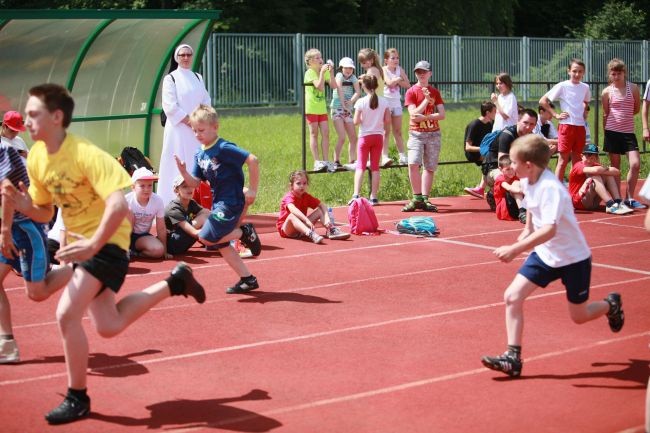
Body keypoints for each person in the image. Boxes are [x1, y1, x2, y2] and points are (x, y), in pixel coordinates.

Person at [8, 83, 206, 424]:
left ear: (56, 117)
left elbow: (118, 206)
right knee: (108, 325)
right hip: (84, 244)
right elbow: (44, 212)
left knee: (66, 314)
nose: (26, 120)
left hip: (109, 243)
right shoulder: (38, 157)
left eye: (33, 114)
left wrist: (92, 245)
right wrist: (22, 204)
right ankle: (174, 283)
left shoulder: (87, 155)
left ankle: (77, 397)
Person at [481, 134, 624, 378]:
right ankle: (513, 358)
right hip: (546, 255)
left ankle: (610, 305)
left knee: (579, 316)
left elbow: (550, 229)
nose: (510, 166)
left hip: (573, 258)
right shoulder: (528, 181)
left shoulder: (551, 189)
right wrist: (526, 229)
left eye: (514, 162)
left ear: (529, 165)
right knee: (512, 296)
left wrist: (517, 249)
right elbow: (531, 207)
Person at [175, 104, 262, 294]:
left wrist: (253, 190)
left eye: (202, 130)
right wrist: (183, 172)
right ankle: (248, 279)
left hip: (231, 201)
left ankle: (244, 233)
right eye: (194, 130)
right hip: (218, 203)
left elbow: (253, 160)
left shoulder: (223, 148)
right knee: (220, 243)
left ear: (215, 127)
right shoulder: (200, 153)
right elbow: (196, 183)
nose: (197, 134)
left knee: (206, 238)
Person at [0, 143, 72, 364]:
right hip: (10, 227)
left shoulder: (3, 151)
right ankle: (7, 345)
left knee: (37, 294)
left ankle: (82, 267)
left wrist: (4, 230)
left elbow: (8, 191)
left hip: (24, 230)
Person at [158, 43, 211, 204]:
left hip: (197, 131)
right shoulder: (170, 78)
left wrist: (201, 122)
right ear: (177, 58)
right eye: (182, 55)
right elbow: (170, 107)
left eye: (189, 54)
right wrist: (192, 123)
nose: (186, 58)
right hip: (178, 130)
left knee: (197, 165)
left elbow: (206, 102)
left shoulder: (198, 77)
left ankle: (197, 203)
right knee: (176, 165)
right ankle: (171, 204)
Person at [601, 58, 645, 210]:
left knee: (635, 164)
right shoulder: (606, 92)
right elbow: (605, 113)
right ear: (610, 75)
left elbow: (636, 109)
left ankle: (630, 198)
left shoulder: (633, 88)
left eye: (619, 73)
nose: (616, 76)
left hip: (628, 133)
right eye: (613, 74)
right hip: (612, 133)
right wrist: (606, 132)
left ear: (624, 73)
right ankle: (618, 199)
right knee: (616, 167)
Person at [402, 60, 445, 212]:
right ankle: (417, 197)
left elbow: (442, 114)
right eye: (418, 72)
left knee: (430, 166)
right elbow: (413, 114)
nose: (421, 74)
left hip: (433, 134)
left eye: (424, 71)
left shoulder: (435, 91)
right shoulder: (411, 91)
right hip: (416, 134)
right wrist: (426, 101)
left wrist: (426, 117)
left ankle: (425, 198)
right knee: (413, 163)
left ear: (430, 74)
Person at [539, 58, 591, 182]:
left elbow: (586, 101)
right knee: (562, 161)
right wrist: (556, 115)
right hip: (566, 127)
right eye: (574, 71)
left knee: (578, 161)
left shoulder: (585, 87)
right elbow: (543, 101)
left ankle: (575, 192)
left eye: (580, 71)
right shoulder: (563, 85)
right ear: (569, 71)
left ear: (584, 72)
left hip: (580, 127)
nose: (577, 74)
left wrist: (584, 112)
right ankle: (558, 192)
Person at [483, 109, 538, 211]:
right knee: (508, 174)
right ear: (518, 120)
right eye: (525, 123)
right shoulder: (507, 135)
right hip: (496, 168)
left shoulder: (531, 137)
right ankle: (493, 193)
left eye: (532, 124)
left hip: (515, 167)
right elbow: (503, 163)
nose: (528, 127)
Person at [277, 170, 350, 243]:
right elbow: (292, 209)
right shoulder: (289, 197)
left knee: (319, 210)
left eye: (304, 183)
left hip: (301, 227)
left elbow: (322, 205)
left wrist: (327, 218)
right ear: (291, 185)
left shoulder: (306, 196)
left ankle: (330, 229)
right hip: (288, 230)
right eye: (298, 183)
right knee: (292, 216)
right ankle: (310, 233)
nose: (302, 186)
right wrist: (306, 220)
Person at [349, 74, 390, 206]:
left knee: (360, 166)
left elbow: (355, 121)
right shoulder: (384, 101)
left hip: (364, 137)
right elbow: (387, 120)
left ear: (364, 86)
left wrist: (364, 120)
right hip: (378, 136)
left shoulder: (360, 102)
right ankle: (374, 197)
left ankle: (356, 195)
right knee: (375, 167)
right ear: (376, 86)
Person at [568, 143, 633, 215]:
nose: (589, 161)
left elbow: (617, 172)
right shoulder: (578, 165)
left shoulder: (596, 166)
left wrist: (604, 169)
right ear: (582, 156)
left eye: (592, 158)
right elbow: (595, 171)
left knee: (608, 175)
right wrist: (605, 169)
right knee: (595, 176)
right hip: (578, 202)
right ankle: (610, 204)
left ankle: (618, 202)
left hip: (593, 203)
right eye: (587, 157)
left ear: (596, 158)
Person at [125, 167, 170, 259]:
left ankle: (135, 253)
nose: (147, 189)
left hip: (141, 238)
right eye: (142, 186)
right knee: (129, 212)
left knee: (158, 251)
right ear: (133, 187)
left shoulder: (157, 201)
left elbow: (161, 227)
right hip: (123, 235)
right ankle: (123, 250)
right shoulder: (126, 200)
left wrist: (164, 251)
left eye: (150, 185)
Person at [358, 48, 391, 168]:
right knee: (381, 132)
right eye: (362, 62)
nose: (363, 64)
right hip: (381, 102)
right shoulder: (379, 69)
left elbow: (368, 84)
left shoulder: (371, 70)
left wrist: (361, 80)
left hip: (373, 103)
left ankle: (366, 159)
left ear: (371, 60)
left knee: (368, 132)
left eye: (365, 62)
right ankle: (382, 156)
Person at [304, 48, 336, 172]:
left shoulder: (324, 71)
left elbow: (333, 86)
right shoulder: (310, 72)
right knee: (314, 134)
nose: (320, 60)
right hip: (311, 109)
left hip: (321, 109)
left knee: (326, 133)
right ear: (310, 61)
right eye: (317, 58)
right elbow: (320, 87)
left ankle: (326, 160)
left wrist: (331, 73)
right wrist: (322, 73)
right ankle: (317, 161)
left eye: (320, 57)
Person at [165, 175, 211, 255]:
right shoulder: (173, 208)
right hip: (173, 245)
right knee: (205, 218)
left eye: (191, 186)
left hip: (182, 240)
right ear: (176, 190)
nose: (189, 189)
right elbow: (194, 232)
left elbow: (207, 213)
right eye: (185, 187)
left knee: (207, 214)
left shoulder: (191, 203)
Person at [330, 57, 360, 171]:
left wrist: (351, 102)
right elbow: (339, 89)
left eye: (350, 68)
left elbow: (358, 91)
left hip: (347, 109)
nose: (348, 70)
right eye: (346, 68)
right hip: (337, 108)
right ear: (341, 68)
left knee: (353, 137)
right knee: (342, 136)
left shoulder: (353, 78)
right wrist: (343, 104)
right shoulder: (339, 76)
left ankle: (352, 160)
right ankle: (336, 160)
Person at [382, 48, 410, 165]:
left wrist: (398, 80)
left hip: (397, 103)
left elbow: (408, 84)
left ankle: (402, 156)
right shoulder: (383, 69)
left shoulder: (400, 69)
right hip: (386, 103)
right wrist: (398, 79)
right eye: (393, 58)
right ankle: (384, 156)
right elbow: (389, 83)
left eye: (397, 58)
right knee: (386, 131)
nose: (396, 60)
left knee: (398, 131)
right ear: (386, 60)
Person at [463, 101, 496, 199]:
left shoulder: (491, 124)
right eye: (495, 111)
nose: (496, 113)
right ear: (487, 113)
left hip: (485, 152)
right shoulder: (474, 125)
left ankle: (487, 188)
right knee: (492, 158)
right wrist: (484, 149)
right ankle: (483, 188)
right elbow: (468, 147)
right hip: (473, 153)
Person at [493, 155, 526, 223]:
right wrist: (524, 191)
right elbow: (509, 188)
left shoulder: (516, 176)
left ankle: (524, 211)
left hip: (515, 206)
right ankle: (522, 211)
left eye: (512, 168)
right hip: (505, 209)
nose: (511, 171)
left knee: (521, 183)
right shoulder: (500, 178)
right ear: (500, 169)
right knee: (516, 184)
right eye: (507, 169)